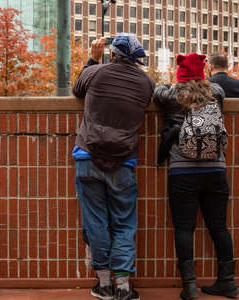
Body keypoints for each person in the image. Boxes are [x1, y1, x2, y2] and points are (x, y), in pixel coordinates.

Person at [72, 33, 155, 300]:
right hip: (123, 161)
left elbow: (77, 90)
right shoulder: (146, 82)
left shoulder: (95, 72)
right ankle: (122, 287)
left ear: (112, 54)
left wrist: (92, 60)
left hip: (88, 155)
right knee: (123, 223)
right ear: (137, 60)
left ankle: (104, 284)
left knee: (95, 222)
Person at [153, 53, 239, 300]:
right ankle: (228, 282)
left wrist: (172, 83)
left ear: (180, 74)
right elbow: (219, 87)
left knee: (184, 228)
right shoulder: (217, 93)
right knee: (219, 227)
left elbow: (156, 91)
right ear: (203, 72)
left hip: (183, 171)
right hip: (216, 170)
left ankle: (190, 287)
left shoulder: (172, 95)